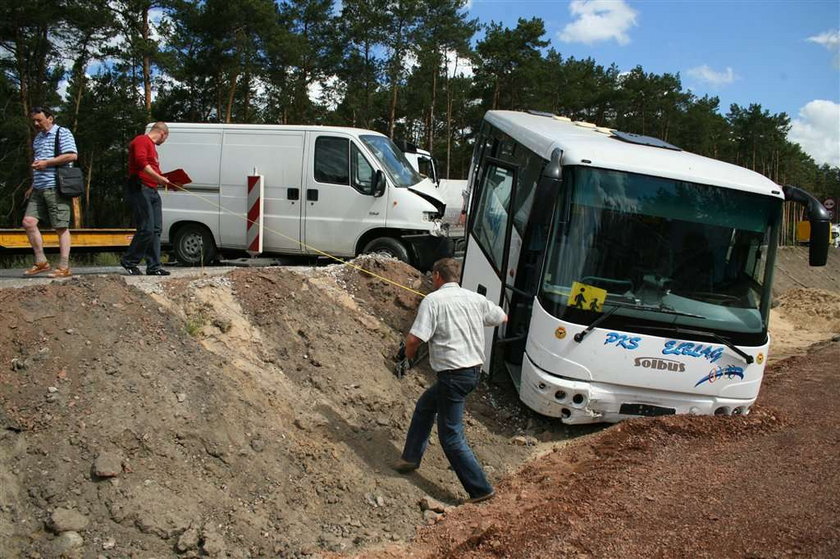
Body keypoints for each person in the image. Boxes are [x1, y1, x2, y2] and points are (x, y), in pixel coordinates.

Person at [394, 257, 507, 504]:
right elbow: (502, 317)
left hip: (453, 376)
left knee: (451, 435)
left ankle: (480, 490)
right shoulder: (474, 299)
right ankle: (410, 458)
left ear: (436, 276)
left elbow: (414, 340)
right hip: (472, 373)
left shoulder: (433, 301)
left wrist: (406, 358)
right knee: (425, 406)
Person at [22, 107, 78, 278]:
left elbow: (72, 155)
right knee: (29, 222)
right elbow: (38, 162)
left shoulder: (62, 132)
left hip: (56, 186)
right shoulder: (38, 139)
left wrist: (47, 163)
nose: (36, 124)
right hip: (39, 187)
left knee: (60, 226)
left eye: (39, 120)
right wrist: (32, 185)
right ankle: (41, 262)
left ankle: (64, 266)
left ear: (50, 118)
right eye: (34, 121)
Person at [121, 122, 176, 276]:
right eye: (165, 138)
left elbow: (153, 168)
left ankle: (154, 266)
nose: (163, 142)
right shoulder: (141, 140)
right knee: (146, 228)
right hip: (140, 188)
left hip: (152, 190)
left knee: (156, 229)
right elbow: (141, 162)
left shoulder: (152, 148)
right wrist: (159, 178)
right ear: (163, 134)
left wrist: (168, 181)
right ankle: (129, 260)